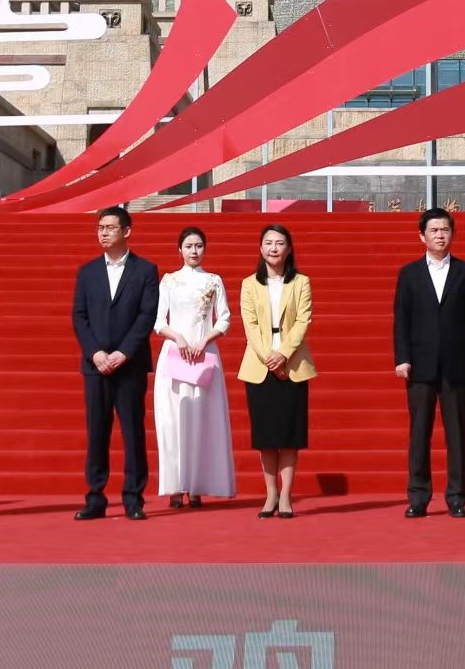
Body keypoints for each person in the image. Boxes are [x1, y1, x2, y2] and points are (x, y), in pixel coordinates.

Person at [392, 207, 465, 519]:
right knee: (419, 433)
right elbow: (401, 321)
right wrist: (402, 358)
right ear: (422, 236)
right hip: (419, 365)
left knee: (457, 434)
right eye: (434, 230)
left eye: (445, 229)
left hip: (458, 364)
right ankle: (418, 497)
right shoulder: (409, 274)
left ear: (452, 234)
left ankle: (457, 497)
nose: (440, 235)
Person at [70, 206, 160, 520]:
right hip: (95, 365)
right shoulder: (88, 272)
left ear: (127, 231)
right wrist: (95, 353)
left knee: (133, 431)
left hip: (129, 364)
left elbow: (146, 315)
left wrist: (124, 352)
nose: (103, 233)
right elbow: (79, 317)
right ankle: (95, 498)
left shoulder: (146, 271)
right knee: (97, 432)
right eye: (100, 228)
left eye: (110, 227)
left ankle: (133, 499)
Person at [155, 226, 235, 508]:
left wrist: (204, 340)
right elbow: (158, 321)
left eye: (199, 245)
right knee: (174, 420)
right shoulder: (169, 281)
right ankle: (176, 486)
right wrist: (178, 337)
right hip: (174, 354)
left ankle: (198, 485)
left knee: (202, 417)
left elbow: (224, 318)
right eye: (188, 246)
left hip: (205, 353)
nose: (194, 251)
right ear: (179, 250)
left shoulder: (214, 281)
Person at [238, 224, 314, 519]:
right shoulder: (249, 284)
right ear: (260, 248)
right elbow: (250, 325)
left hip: (293, 365)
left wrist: (283, 354)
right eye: (268, 243)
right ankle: (270, 494)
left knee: (290, 435)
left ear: (288, 249)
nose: (273, 248)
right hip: (259, 366)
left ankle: (286, 495)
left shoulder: (301, 282)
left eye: (279, 243)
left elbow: (303, 320)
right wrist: (268, 357)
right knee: (266, 436)